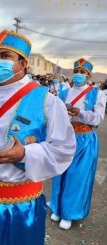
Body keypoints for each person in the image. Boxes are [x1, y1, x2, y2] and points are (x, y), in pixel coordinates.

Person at [0, 30, 76, 245]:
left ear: (23, 64)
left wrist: (25, 154)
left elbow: (63, 149)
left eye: (5, 56)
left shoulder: (46, 100)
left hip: (15, 208)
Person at [49, 58, 106, 230]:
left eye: (83, 72)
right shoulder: (64, 92)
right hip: (66, 137)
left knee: (77, 176)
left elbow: (98, 119)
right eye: (77, 71)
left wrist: (79, 113)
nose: (79, 75)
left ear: (89, 75)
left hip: (85, 138)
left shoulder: (98, 94)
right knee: (61, 172)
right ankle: (57, 207)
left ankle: (70, 212)